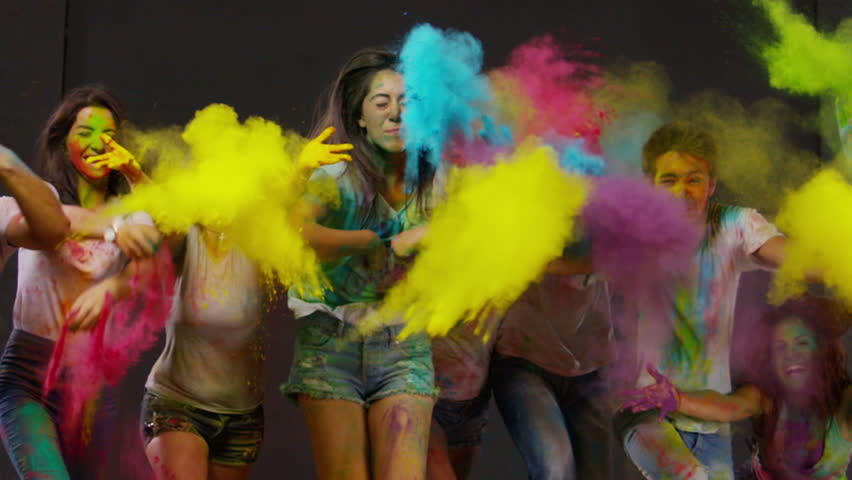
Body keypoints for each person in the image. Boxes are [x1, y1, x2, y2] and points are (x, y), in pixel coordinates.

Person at [0, 85, 160, 480]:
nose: (95, 143)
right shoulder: (40, 200)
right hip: (28, 378)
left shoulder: (132, 211)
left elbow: (157, 248)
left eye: (106, 134)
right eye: (84, 132)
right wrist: (110, 229)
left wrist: (134, 173)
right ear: (64, 140)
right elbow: (52, 227)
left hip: (93, 386)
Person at [615, 121, 788, 480]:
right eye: (669, 180)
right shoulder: (632, 231)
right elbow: (567, 258)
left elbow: (794, 256)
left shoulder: (732, 224)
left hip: (709, 415)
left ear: (711, 185)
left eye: (694, 179)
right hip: (646, 409)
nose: (682, 191)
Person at [623, 296, 852, 479]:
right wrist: (678, 399)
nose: (791, 354)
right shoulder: (768, 397)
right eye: (780, 347)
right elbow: (728, 407)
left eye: (802, 343)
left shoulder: (843, 405)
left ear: (821, 352)